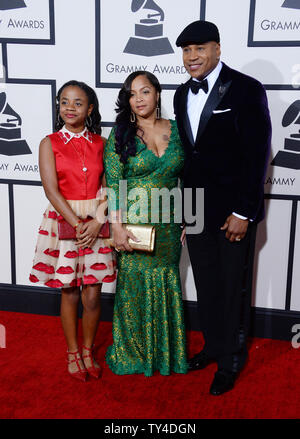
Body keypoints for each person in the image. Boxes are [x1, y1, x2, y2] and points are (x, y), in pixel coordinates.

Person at [174, 21, 271, 395]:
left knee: (232, 287)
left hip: (233, 211)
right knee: (208, 285)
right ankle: (213, 346)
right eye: (186, 50)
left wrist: (245, 211)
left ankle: (231, 359)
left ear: (217, 49)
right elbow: (189, 156)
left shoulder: (246, 89)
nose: (192, 56)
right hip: (196, 208)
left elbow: (256, 153)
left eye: (199, 48)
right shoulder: (181, 94)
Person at [30, 80, 116, 381]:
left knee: (93, 295)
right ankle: (72, 352)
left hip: (96, 220)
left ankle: (89, 350)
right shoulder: (48, 143)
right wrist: (79, 225)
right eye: (64, 101)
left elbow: (109, 187)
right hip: (64, 219)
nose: (70, 107)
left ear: (89, 108)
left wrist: (97, 220)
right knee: (70, 292)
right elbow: (51, 191)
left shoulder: (101, 144)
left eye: (78, 102)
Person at [104, 71, 188, 376]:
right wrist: (116, 226)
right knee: (134, 288)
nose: (138, 99)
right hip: (135, 226)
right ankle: (133, 354)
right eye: (132, 94)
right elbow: (114, 183)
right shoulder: (121, 134)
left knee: (167, 281)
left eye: (145, 92)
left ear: (157, 94)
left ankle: (166, 353)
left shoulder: (179, 130)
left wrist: (189, 220)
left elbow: (189, 177)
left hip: (169, 226)